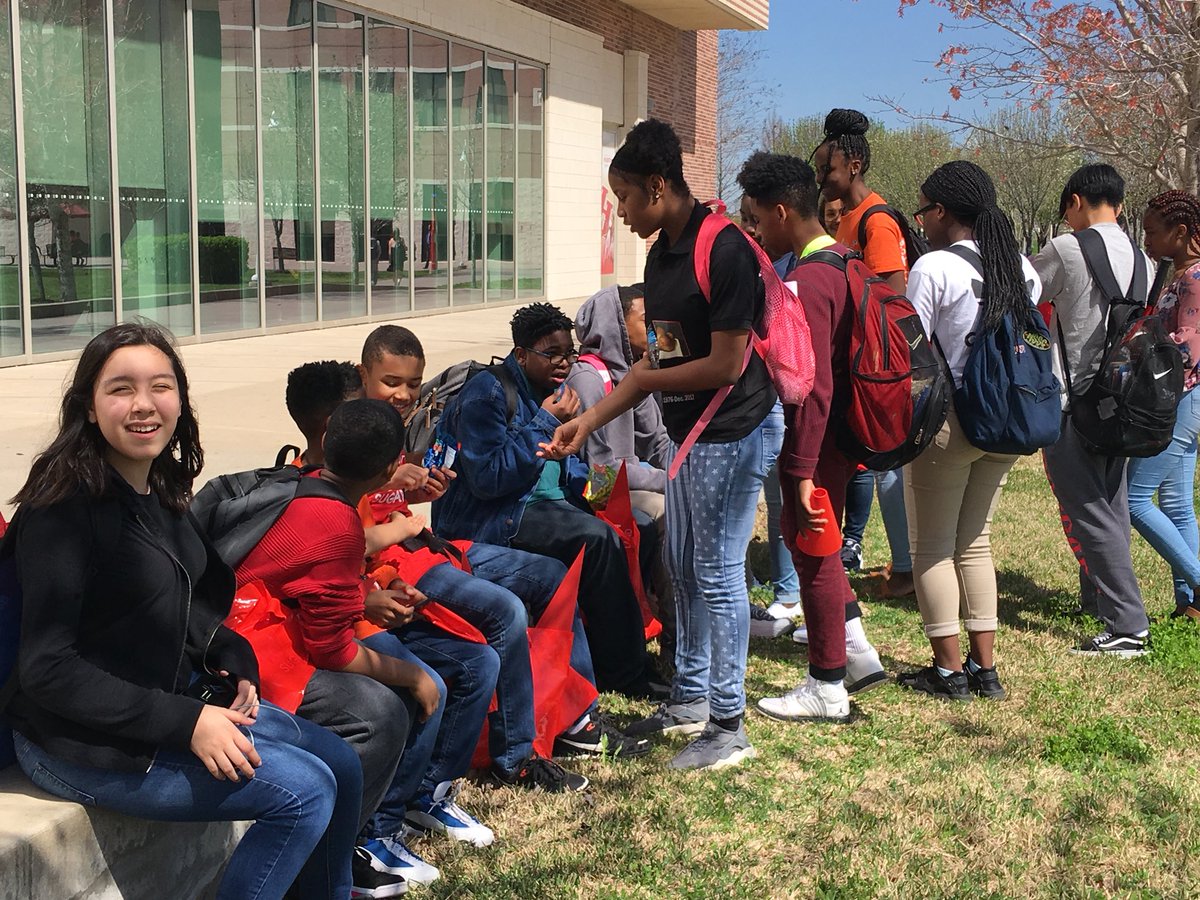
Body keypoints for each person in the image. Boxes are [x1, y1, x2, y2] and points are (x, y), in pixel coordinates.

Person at [2, 322, 362, 900]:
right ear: (90, 409)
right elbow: (49, 668)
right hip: (75, 741)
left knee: (340, 763)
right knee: (304, 792)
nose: (143, 405)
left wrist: (230, 652)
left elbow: (184, 596)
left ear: (180, 399)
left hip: (167, 700)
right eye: (120, 389)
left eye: (160, 386)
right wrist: (187, 723)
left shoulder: (157, 487)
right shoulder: (64, 512)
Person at [541, 120, 784, 770]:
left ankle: (727, 726)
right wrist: (585, 425)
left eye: (623, 196)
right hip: (689, 439)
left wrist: (649, 378)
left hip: (736, 431)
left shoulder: (723, 248)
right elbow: (664, 365)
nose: (619, 211)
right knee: (681, 568)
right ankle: (691, 700)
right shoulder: (660, 257)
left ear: (657, 186)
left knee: (717, 574)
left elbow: (728, 366)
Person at [359, 325, 649, 783]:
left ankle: (578, 716)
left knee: (558, 573)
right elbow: (488, 480)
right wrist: (397, 503)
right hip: (425, 552)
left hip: (427, 549)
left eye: (413, 385)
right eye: (391, 383)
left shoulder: (554, 393)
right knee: (519, 600)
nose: (403, 395)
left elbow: (411, 482)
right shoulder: (481, 397)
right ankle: (517, 757)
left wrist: (415, 486)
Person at [282, 361, 502, 861]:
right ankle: (375, 833)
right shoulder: (308, 494)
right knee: (427, 684)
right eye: (358, 412)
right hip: (330, 635)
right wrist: (377, 599)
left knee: (479, 661)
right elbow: (321, 615)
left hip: (365, 609)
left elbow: (356, 559)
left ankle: (427, 796)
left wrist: (387, 582)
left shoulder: (349, 484)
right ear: (331, 430)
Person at [235, 398, 443, 894]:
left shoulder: (303, 488)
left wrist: (367, 597)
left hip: (244, 635)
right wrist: (413, 678)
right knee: (384, 712)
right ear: (393, 465)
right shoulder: (338, 524)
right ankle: (333, 856)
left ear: (326, 443)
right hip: (245, 662)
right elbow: (332, 651)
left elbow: (306, 582)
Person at [433, 306, 666, 702]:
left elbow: (570, 467)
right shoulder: (488, 392)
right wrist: (544, 422)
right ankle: (625, 674)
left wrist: (607, 494)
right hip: (499, 518)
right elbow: (489, 478)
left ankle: (631, 652)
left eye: (568, 353)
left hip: (548, 505)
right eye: (551, 353)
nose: (563, 363)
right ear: (521, 355)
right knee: (596, 541)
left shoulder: (554, 393)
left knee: (636, 523)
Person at [736, 151, 887, 723]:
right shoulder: (848, 261)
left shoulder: (802, 282)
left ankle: (826, 684)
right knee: (813, 544)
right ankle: (854, 648)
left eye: (756, 218)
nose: (754, 230)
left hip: (820, 441)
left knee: (811, 546)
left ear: (781, 212)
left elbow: (811, 387)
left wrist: (798, 469)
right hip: (852, 432)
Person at [899, 160, 1042, 700]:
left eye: (924, 211)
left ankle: (948, 672)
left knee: (932, 546)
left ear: (940, 211)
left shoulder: (934, 267)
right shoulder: (1022, 269)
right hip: (1006, 422)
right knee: (976, 543)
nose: (923, 223)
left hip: (951, 422)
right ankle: (987, 671)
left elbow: (911, 352)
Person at [1033, 164, 1154, 649]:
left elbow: (1027, 292)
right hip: (1122, 401)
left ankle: (1129, 626)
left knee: (1087, 510)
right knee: (1112, 505)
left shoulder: (1067, 248)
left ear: (1077, 202)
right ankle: (1100, 599)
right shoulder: (1142, 258)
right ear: (1120, 206)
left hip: (1075, 400)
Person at [812, 108, 914, 599]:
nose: (820, 179)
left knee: (885, 463)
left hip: (872, 367)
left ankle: (907, 567)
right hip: (848, 363)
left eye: (826, 170)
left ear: (852, 165)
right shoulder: (844, 219)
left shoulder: (876, 220)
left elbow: (891, 300)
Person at [566, 285, 679, 653]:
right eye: (645, 320)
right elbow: (600, 473)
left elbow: (658, 441)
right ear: (615, 323)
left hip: (626, 482)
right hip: (594, 490)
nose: (654, 332)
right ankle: (676, 638)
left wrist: (683, 473)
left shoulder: (634, 373)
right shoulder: (588, 378)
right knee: (665, 512)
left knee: (686, 500)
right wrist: (668, 482)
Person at [1125, 190, 1200, 625]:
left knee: (1135, 499)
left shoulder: (1193, 279)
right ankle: (1189, 603)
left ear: (1182, 231)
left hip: (1184, 398)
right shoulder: (1178, 274)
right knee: (1176, 503)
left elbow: (1188, 345)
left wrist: (1138, 347)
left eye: (1154, 232)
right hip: (1182, 398)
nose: (1147, 239)